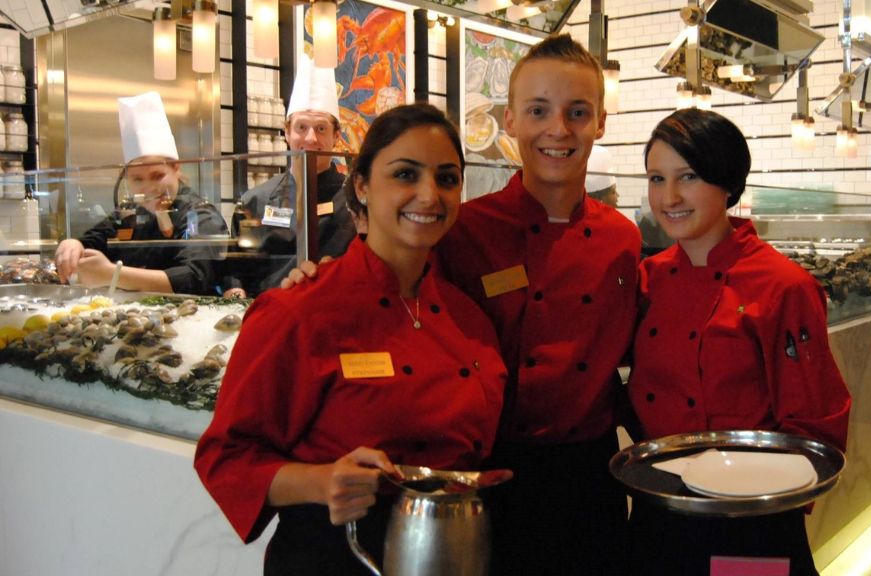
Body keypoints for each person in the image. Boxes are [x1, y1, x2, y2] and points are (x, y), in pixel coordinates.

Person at [281, 34, 640, 575]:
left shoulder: (621, 238)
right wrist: (329, 277)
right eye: (538, 111)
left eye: (578, 112)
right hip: (487, 473)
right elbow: (398, 296)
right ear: (511, 121)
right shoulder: (465, 228)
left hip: (590, 473)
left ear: (601, 122)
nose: (558, 130)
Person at [194, 103, 507, 574]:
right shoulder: (299, 311)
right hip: (336, 552)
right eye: (405, 174)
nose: (429, 195)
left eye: (447, 178)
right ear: (362, 186)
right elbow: (225, 458)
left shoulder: (470, 317)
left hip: (450, 549)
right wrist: (321, 482)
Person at [626, 108, 852, 575]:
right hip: (660, 504)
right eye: (656, 178)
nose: (668, 197)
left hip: (750, 516)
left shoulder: (783, 286)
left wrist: (773, 498)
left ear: (727, 181)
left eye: (687, 176)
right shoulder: (648, 279)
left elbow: (816, 418)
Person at [54, 91, 227, 294]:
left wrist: (112, 274)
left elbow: (194, 278)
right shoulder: (131, 212)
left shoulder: (201, 215)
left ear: (176, 168)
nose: (148, 188)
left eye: (157, 176)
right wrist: (72, 244)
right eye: (137, 179)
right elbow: (94, 239)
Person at [221, 54, 356, 298]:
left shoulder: (355, 201)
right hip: (268, 315)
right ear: (286, 132)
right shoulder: (256, 201)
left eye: (321, 129)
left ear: (337, 136)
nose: (311, 139)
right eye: (301, 127)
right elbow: (235, 270)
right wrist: (235, 290)